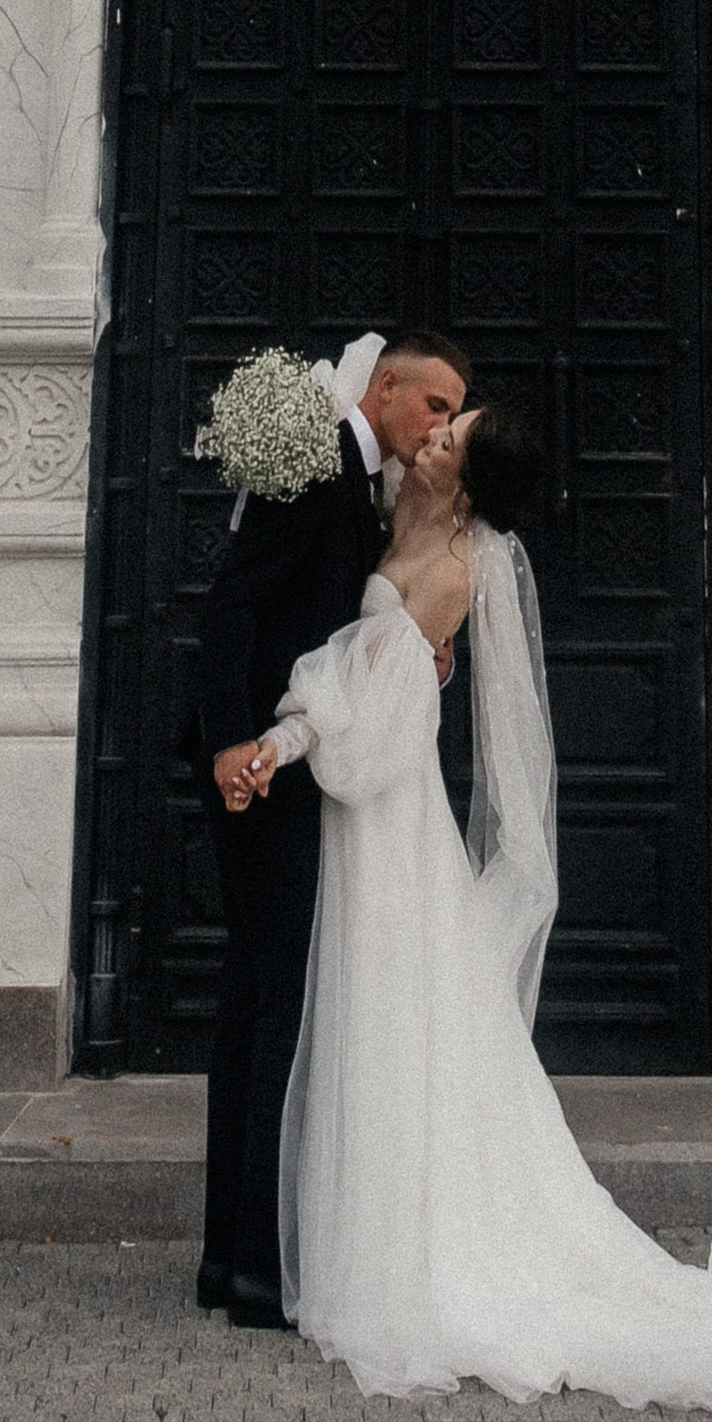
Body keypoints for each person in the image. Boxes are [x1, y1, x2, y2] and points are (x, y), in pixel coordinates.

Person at [220, 408, 712, 1408]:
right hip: (365, 823)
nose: (430, 441)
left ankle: (410, 1264)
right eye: (438, 426)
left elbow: (373, 735)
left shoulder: (449, 571)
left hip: (388, 835)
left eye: (449, 443)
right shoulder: (387, 517)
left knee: (391, 1027)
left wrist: (279, 743)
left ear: (465, 487)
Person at [194, 328, 471, 1327]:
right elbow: (232, 605)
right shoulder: (314, 472)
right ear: (388, 387)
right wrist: (232, 740)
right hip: (263, 771)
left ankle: (233, 1261)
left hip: (294, 765)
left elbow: (346, 635)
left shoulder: (364, 488)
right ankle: (257, 1271)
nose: (440, 425)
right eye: (434, 405)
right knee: (275, 1012)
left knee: (258, 1002)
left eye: (452, 416)